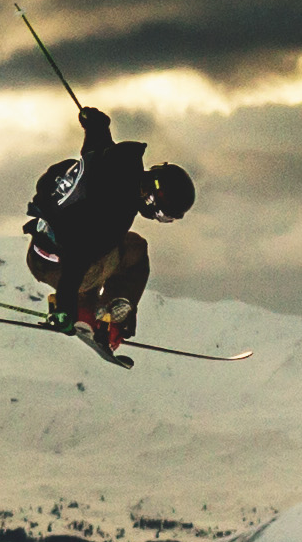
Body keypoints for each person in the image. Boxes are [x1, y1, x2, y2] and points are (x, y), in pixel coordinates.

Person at [22, 107, 192, 358]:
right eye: (163, 215)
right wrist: (64, 309)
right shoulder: (116, 213)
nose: (158, 219)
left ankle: (91, 309)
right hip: (59, 266)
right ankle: (99, 315)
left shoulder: (121, 166)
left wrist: (97, 126)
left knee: (104, 252)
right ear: (153, 200)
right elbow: (79, 253)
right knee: (134, 250)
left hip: (41, 251)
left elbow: (95, 154)